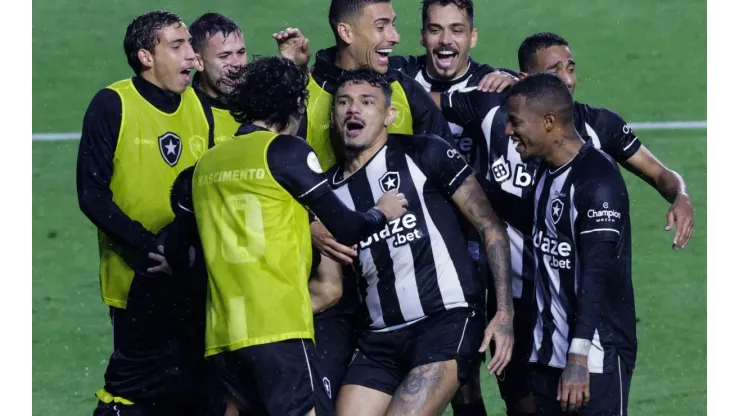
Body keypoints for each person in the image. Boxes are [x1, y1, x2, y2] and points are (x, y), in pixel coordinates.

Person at [191, 56, 409, 416]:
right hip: (278, 329)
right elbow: (348, 228)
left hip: (222, 334)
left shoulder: (208, 162)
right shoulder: (285, 152)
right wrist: (381, 211)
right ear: (294, 105)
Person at [273, 0, 455, 400]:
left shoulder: (403, 90)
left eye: (394, 25)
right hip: (332, 286)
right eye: (383, 26)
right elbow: (267, 177)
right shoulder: (306, 93)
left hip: (408, 290)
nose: (395, 36)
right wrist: (310, 225)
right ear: (347, 33)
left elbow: (452, 175)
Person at [324, 68, 513, 416]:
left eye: (367, 102)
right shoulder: (328, 193)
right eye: (344, 102)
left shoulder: (425, 153)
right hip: (379, 339)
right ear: (333, 114)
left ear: (389, 115)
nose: (354, 110)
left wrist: (503, 312)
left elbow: (490, 227)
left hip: (446, 321)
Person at [76, 10, 218, 415]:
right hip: (135, 279)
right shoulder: (112, 104)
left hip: (192, 280)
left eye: (191, 45)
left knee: (197, 393)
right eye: (178, 46)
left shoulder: (197, 105)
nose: (192, 56)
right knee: (136, 395)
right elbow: (92, 194)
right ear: (145, 57)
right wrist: (150, 247)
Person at [506, 72, 637, 415]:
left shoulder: (598, 180)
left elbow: (597, 273)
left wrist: (577, 356)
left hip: (594, 360)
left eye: (515, 122)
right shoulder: (544, 172)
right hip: (546, 355)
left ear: (549, 122)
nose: (509, 131)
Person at [189, 12, 248, 145]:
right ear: (198, 62)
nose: (237, 63)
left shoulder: (261, 104)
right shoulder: (186, 113)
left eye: (241, 52)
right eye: (225, 56)